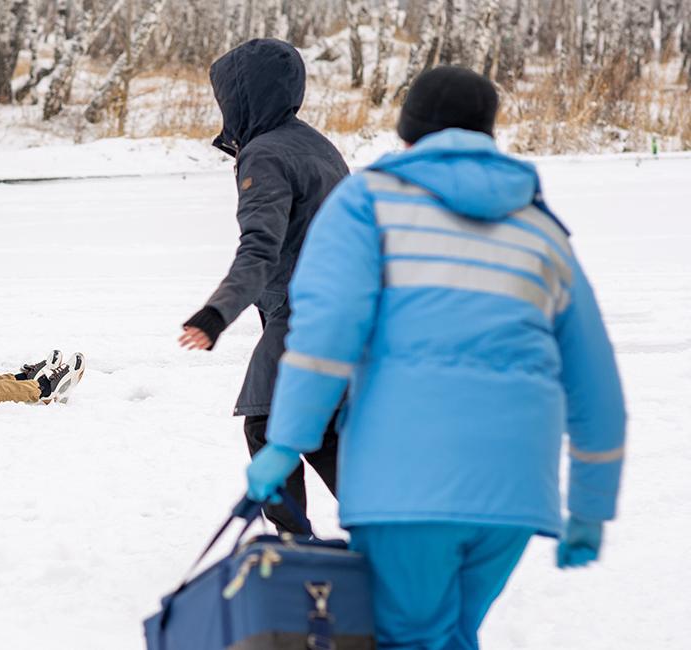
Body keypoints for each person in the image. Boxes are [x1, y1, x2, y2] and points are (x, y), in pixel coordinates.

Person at [246, 66, 627, 649]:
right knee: (454, 632)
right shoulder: (541, 229)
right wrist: (592, 505)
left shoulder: (366, 203)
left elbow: (326, 334)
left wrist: (285, 441)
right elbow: (595, 383)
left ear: (407, 131)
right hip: (514, 492)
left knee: (408, 636)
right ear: (489, 132)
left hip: (406, 484)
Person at [177, 39, 349, 535]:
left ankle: (293, 542)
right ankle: (391, 527)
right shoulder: (317, 144)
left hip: (303, 313)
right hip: (343, 308)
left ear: (244, 96)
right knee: (318, 427)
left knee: (269, 421)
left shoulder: (265, 153)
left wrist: (217, 313)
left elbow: (260, 247)